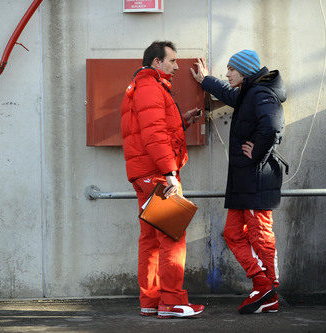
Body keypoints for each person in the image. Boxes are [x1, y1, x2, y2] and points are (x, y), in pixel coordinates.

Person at [191, 50, 286, 314]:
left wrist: (256, 152)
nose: (227, 73)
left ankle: (269, 290)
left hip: (257, 177)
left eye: (232, 69)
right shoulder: (248, 92)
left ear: (243, 71)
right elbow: (231, 95)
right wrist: (206, 80)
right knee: (233, 234)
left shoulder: (261, 92)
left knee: (260, 234)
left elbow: (274, 125)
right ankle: (263, 285)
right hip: (243, 179)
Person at [120, 41, 204, 318]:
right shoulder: (150, 87)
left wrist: (182, 121)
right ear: (156, 62)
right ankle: (172, 302)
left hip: (146, 173)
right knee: (171, 237)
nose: (176, 66)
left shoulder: (144, 86)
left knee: (151, 240)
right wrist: (170, 173)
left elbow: (154, 127)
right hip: (157, 173)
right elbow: (154, 134)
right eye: (172, 61)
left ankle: (151, 301)